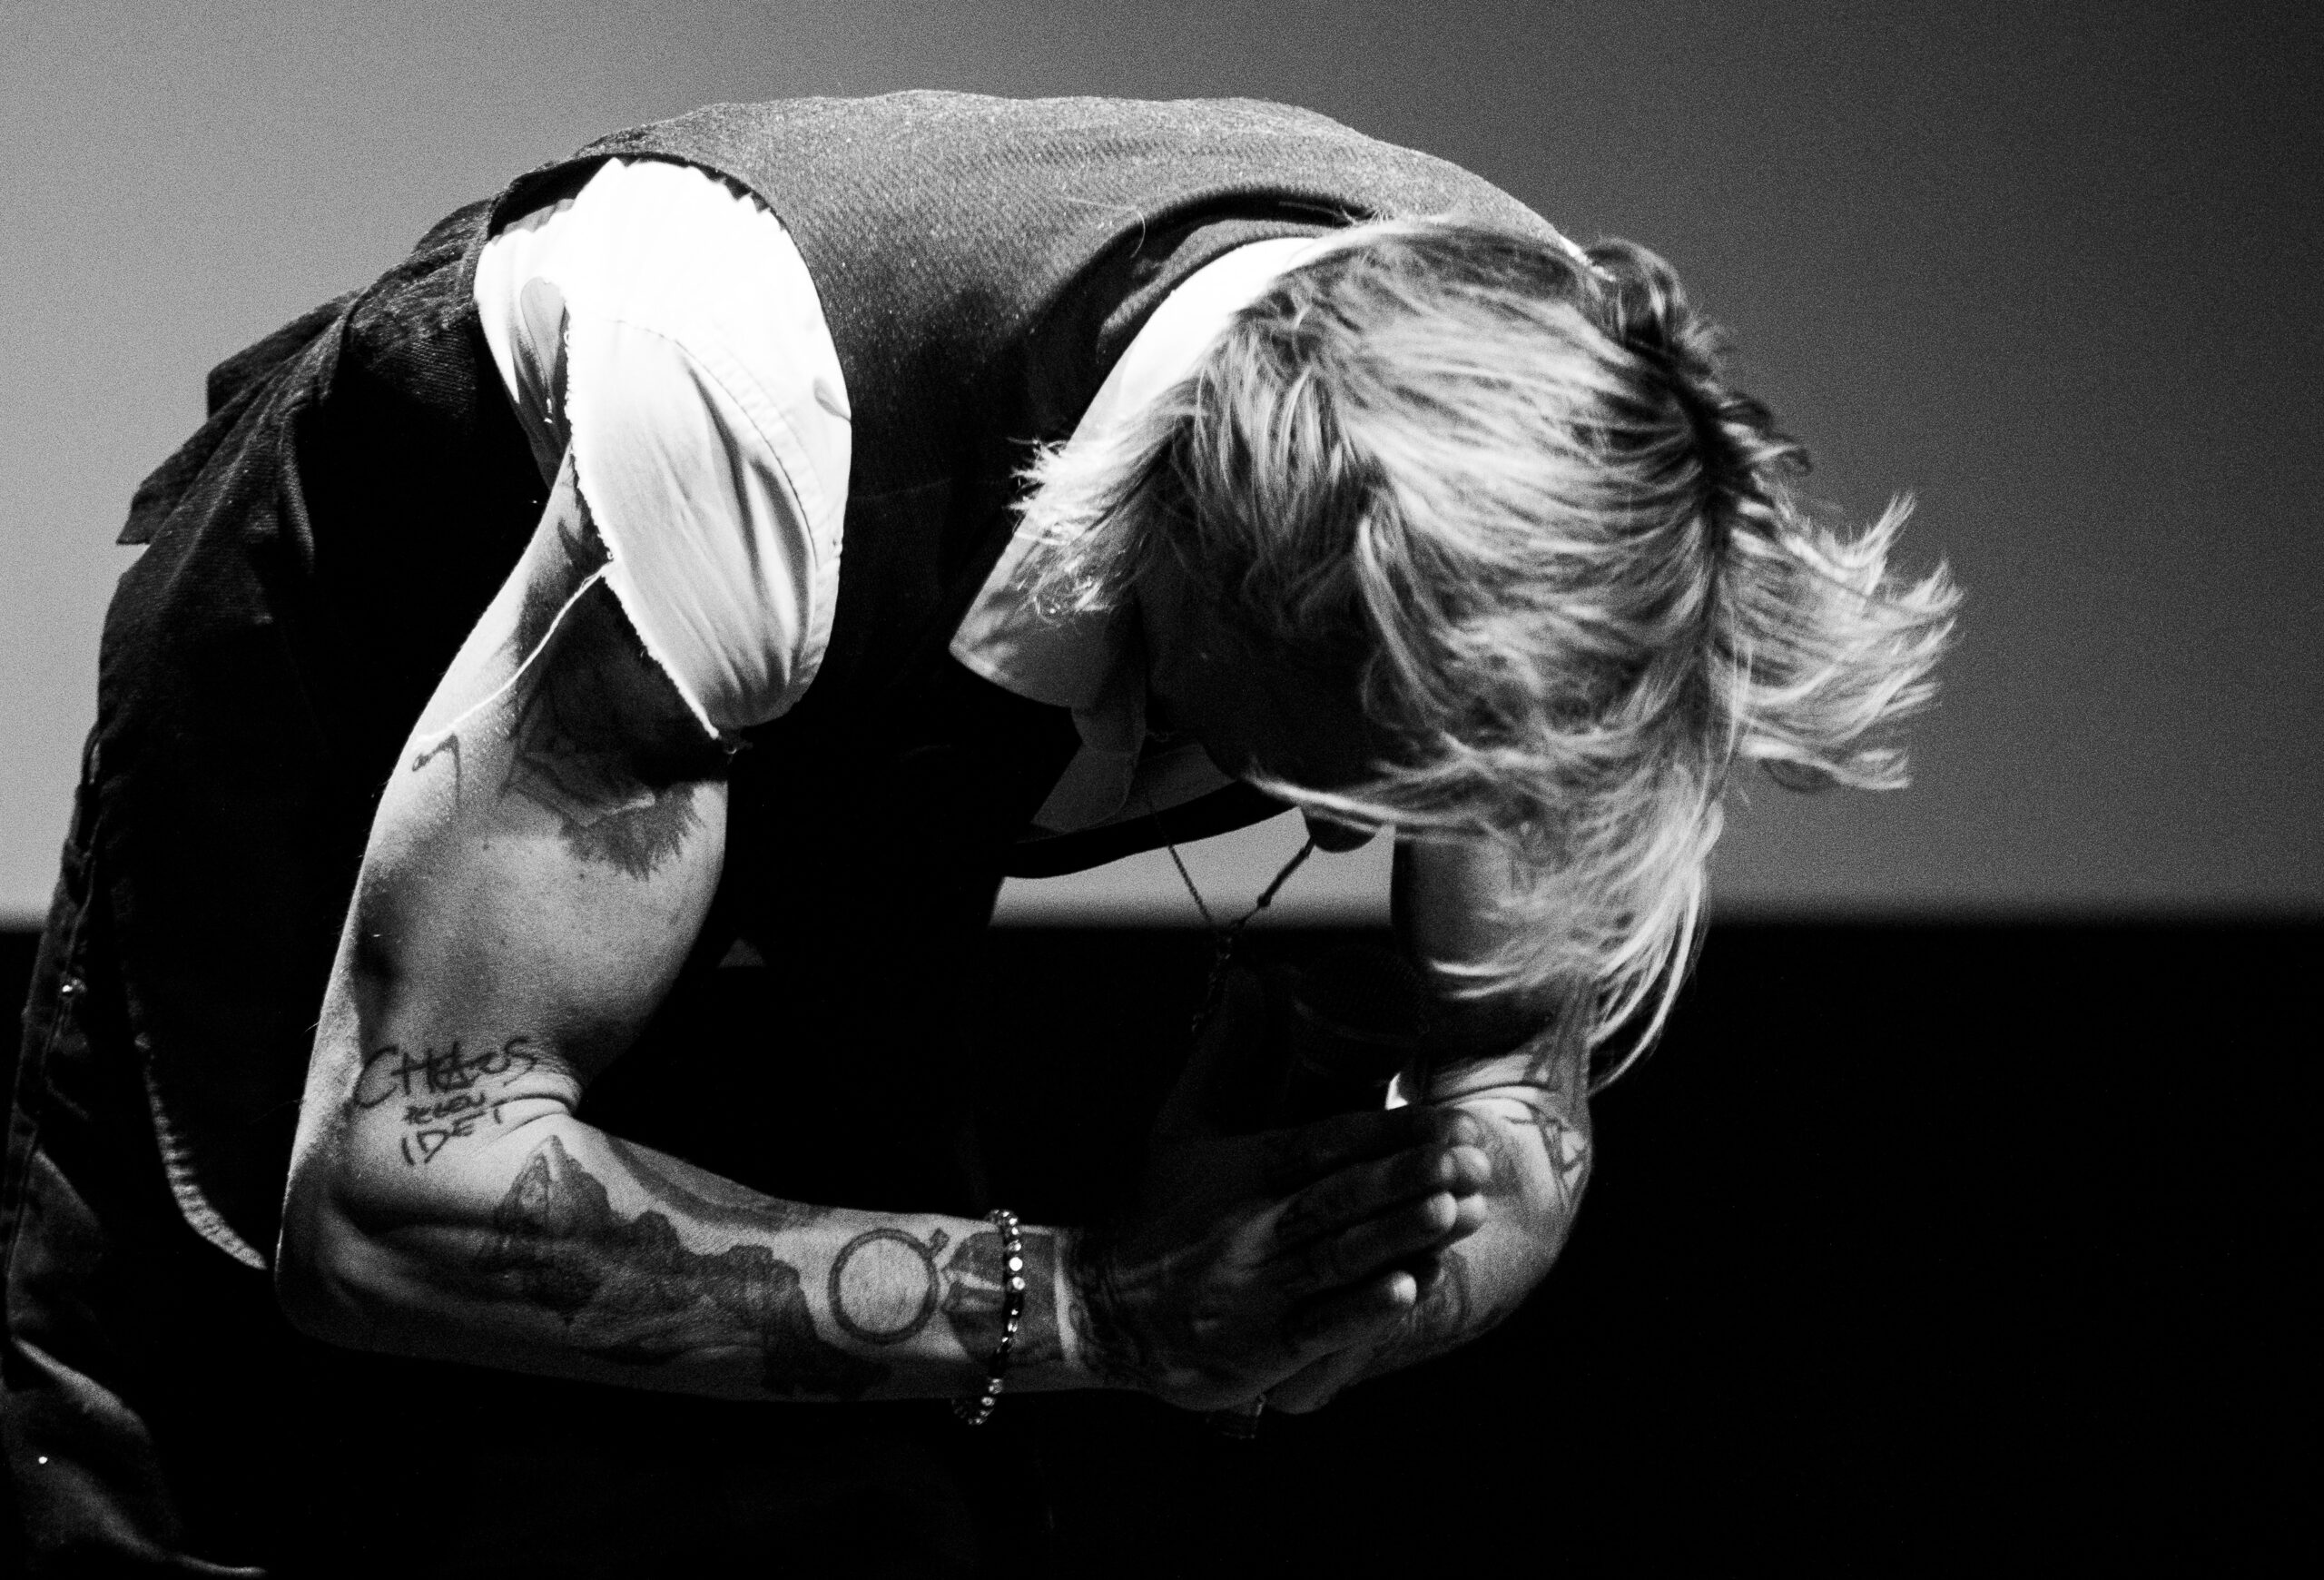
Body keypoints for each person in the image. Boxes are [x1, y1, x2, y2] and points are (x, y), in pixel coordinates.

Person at [0, 93, 1957, 1575]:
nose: (1402, 833)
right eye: (1376, 776)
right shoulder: (752, 406)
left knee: (866, 1488)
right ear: (1211, 593)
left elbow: (1507, 1086)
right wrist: (1099, 1305)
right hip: (378, 671)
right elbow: (390, 1207)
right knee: (226, 1440)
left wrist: (1376, 1267)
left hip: (837, 750)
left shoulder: (1568, 504)